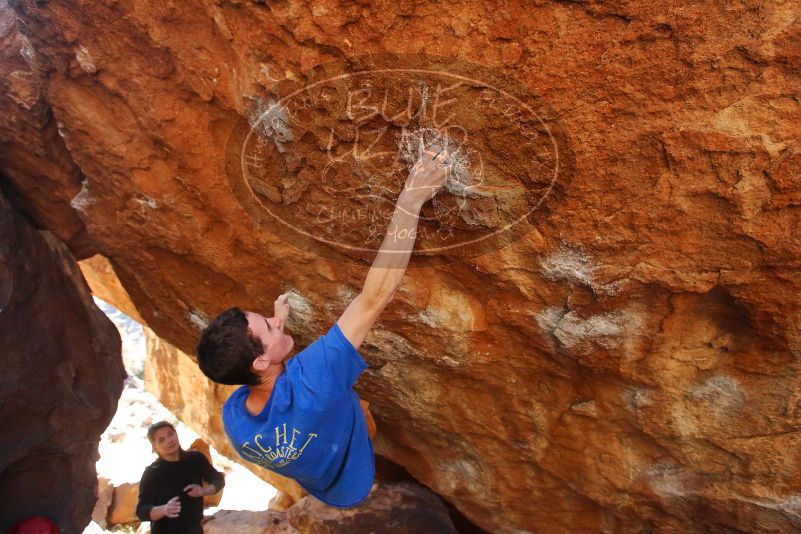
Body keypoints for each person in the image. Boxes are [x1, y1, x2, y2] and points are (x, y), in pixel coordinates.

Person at [196, 145, 451, 507]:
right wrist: (411, 198)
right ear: (259, 363)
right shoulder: (315, 378)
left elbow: (257, 374)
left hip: (326, 485)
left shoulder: (236, 423)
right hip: (356, 474)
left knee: (339, 405)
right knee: (358, 408)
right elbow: (376, 295)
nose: (272, 319)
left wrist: (277, 335)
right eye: (268, 327)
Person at [135, 421, 225, 534]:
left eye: (170, 434)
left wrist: (204, 490)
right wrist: (164, 510)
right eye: (161, 440)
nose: (169, 440)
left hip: (194, 530)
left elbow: (218, 479)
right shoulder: (152, 472)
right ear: (155, 447)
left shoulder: (195, 459)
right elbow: (141, 511)